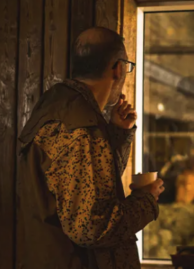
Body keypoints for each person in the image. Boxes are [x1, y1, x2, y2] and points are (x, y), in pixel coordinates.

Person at [17, 27, 164, 269]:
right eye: (127, 66)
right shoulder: (81, 126)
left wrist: (117, 133)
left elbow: (89, 184)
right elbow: (90, 227)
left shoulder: (57, 105)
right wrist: (146, 200)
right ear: (118, 68)